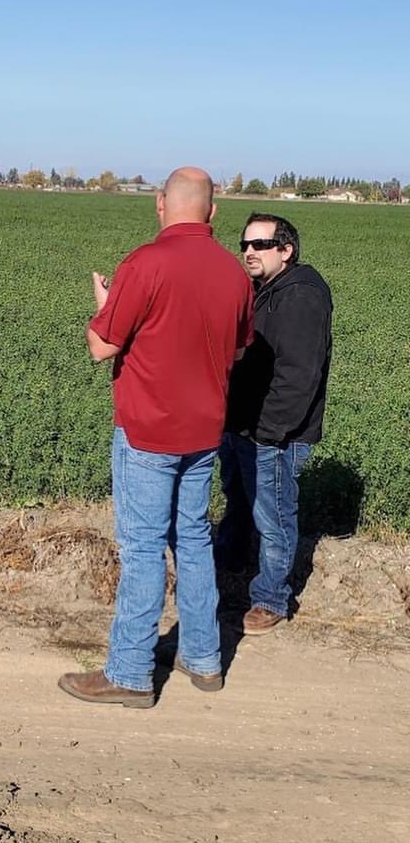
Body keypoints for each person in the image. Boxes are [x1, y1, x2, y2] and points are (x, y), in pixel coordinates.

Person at [58, 167, 254, 708]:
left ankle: (129, 673)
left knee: (143, 549)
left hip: (148, 433)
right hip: (204, 433)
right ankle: (204, 658)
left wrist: (104, 307)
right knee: (192, 540)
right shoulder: (236, 275)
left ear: (160, 204)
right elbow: (238, 351)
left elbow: (101, 347)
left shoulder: (146, 263)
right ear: (214, 212)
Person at [217, 213, 332, 635]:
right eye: (245, 243)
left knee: (274, 515)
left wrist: (270, 431)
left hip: (275, 433)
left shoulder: (301, 297)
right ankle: (230, 559)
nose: (249, 251)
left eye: (261, 245)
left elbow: (299, 376)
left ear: (286, 250)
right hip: (242, 423)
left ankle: (271, 597)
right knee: (240, 497)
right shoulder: (263, 289)